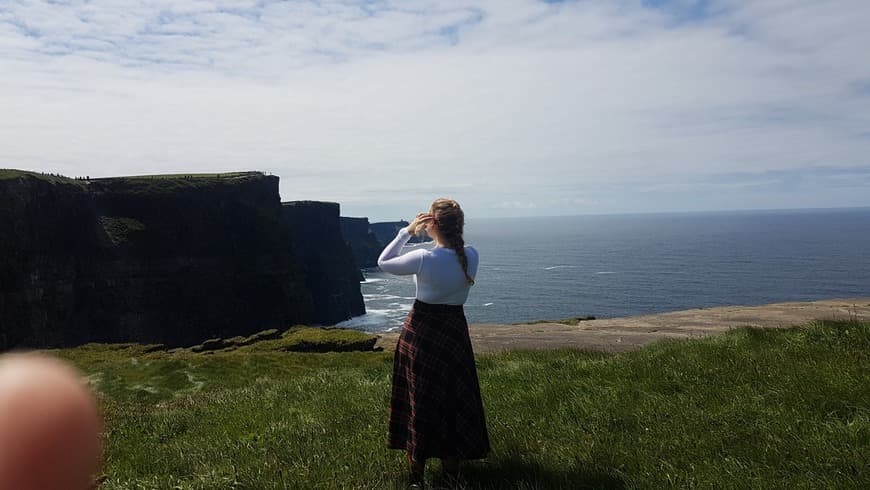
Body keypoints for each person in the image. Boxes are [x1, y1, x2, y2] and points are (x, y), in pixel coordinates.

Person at [378, 198, 490, 488]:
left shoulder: (424, 258)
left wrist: (407, 232)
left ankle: (416, 475)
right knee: (452, 398)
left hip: (422, 332)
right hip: (454, 333)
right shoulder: (473, 255)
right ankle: (452, 473)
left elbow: (384, 262)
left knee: (420, 399)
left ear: (433, 224)